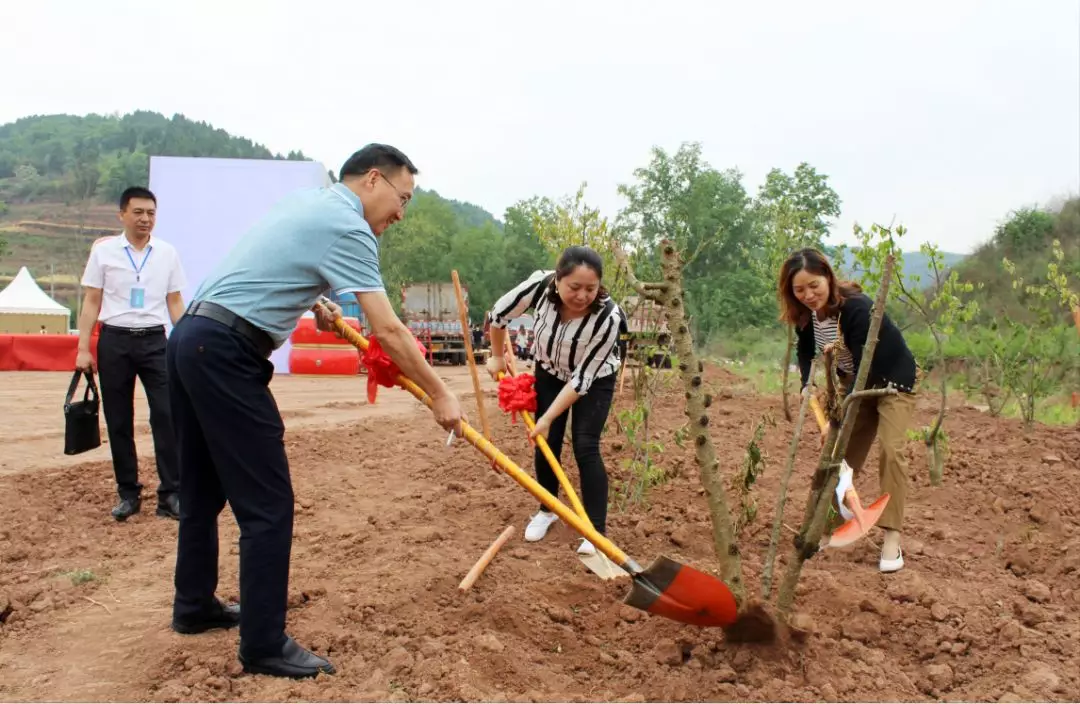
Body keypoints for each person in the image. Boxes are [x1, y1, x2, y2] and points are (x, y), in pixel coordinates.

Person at [166, 144, 465, 679]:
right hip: (226, 353)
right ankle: (262, 644)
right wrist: (442, 392)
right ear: (373, 180)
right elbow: (389, 331)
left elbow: (271, 267)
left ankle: (193, 605)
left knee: (204, 489)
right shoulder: (348, 225)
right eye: (403, 198)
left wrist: (313, 302)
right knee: (268, 506)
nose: (400, 212)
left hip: (193, 338)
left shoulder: (309, 203)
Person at [778, 248, 918, 573]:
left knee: (892, 451)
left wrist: (837, 416)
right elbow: (805, 351)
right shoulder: (806, 315)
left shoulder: (856, 309)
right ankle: (823, 530)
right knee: (838, 459)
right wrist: (805, 384)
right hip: (852, 383)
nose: (808, 295)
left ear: (827, 277)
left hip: (891, 382)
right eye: (799, 290)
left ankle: (892, 541)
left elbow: (864, 364)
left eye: (814, 285)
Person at [485, 246, 623, 556]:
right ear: (557, 280)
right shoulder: (537, 288)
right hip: (549, 370)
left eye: (591, 288)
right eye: (574, 287)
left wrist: (546, 416)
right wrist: (496, 356)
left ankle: (595, 531)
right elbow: (497, 315)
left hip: (594, 378)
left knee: (586, 446)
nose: (582, 295)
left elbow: (582, 379)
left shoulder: (608, 317)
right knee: (548, 443)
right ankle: (546, 510)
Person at [76, 186, 187, 522]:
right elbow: (92, 301)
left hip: (155, 341)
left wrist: (184, 342)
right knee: (119, 420)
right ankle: (128, 493)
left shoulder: (167, 253)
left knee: (166, 416)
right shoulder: (104, 252)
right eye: (138, 212)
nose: (145, 219)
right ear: (122, 214)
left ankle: (171, 494)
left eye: (151, 213)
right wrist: (83, 348)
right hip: (115, 342)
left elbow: (175, 302)